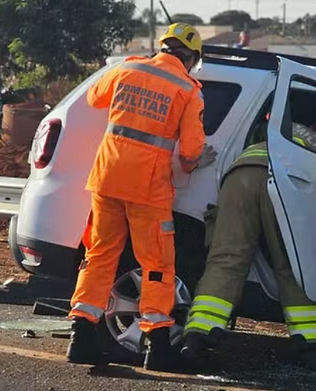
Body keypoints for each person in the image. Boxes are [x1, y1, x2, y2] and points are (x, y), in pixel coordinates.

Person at [65, 23, 217, 372]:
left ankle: (81, 337)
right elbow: (192, 149)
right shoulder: (188, 89)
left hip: (106, 177)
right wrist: (194, 163)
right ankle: (157, 346)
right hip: (147, 187)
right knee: (157, 265)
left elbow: (94, 99)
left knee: (100, 255)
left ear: (163, 46)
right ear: (191, 57)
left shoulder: (128, 67)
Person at [182, 119, 316, 370]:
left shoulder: (269, 133)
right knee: (293, 263)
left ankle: (198, 336)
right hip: (283, 179)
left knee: (226, 259)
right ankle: (313, 346)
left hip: (240, 174)